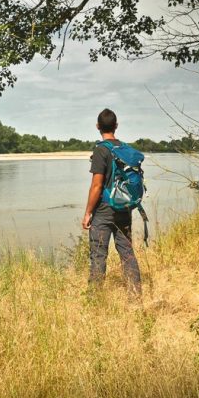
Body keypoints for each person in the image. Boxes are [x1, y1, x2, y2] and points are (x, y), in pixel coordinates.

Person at [81, 108, 142, 295]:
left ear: (98, 126)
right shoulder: (124, 149)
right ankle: (135, 295)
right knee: (127, 252)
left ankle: (95, 298)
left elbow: (97, 186)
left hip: (104, 210)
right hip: (124, 207)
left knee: (99, 254)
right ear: (116, 126)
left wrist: (88, 213)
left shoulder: (101, 150)